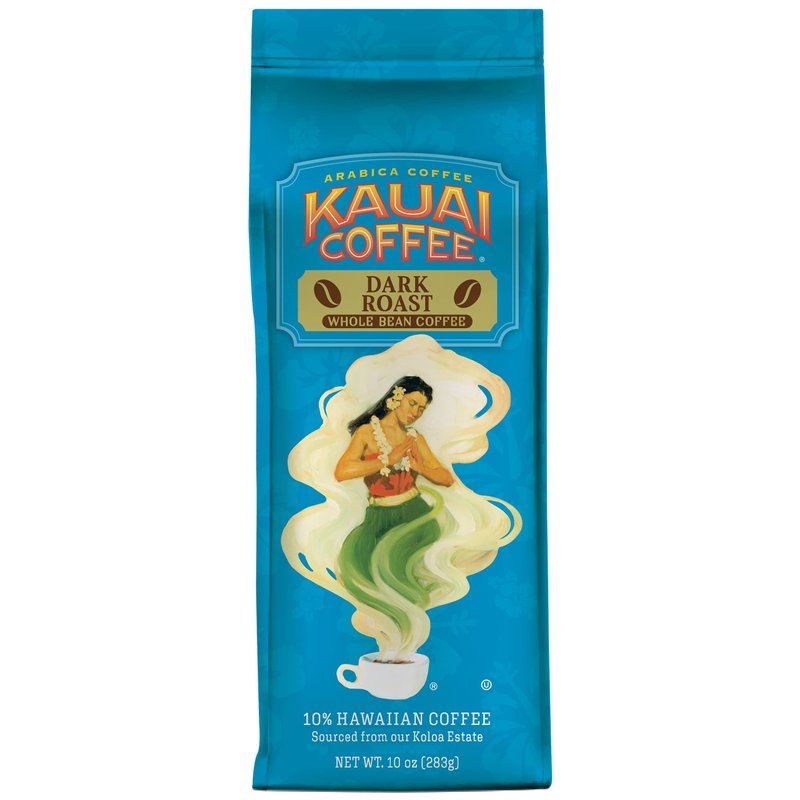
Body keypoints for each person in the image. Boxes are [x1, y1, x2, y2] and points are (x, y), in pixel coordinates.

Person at [333, 376, 453, 661]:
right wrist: (387, 458)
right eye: (413, 403)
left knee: (402, 580)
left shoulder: (415, 438)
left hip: (414, 517)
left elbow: (446, 478)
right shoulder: (367, 432)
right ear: (396, 398)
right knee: (372, 579)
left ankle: (406, 648)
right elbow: (342, 471)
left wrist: (421, 467)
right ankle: (390, 648)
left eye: (422, 408)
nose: (416, 412)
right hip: (379, 517)